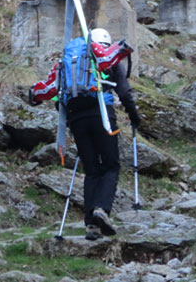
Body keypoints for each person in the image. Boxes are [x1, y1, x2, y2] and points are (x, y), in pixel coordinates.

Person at [65, 28, 141, 240]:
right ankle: (102, 209)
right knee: (111, 165)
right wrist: (134, 116)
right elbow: (124, 92)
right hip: (102, 116)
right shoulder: (108, 58)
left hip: (77, 119)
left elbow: (58, 93)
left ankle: (92, 226)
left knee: (91, 170)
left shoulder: (71, 62)